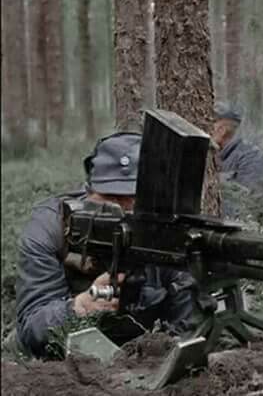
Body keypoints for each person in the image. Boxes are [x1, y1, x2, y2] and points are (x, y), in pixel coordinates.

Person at [14, 133, 194, 357]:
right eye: (110, 199)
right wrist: (79, 307)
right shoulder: (51, 228)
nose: (124, 212)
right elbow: (31, 327)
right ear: (88, 192)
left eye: (134, 199)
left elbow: (188, 325)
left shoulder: (163, 229)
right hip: (59, 360)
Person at [213, 103, 263, 188]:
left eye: (208, 124)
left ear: (221, 130)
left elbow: (252, 197)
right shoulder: (214, 155)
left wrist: (216, 181)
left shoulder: (251, 157)